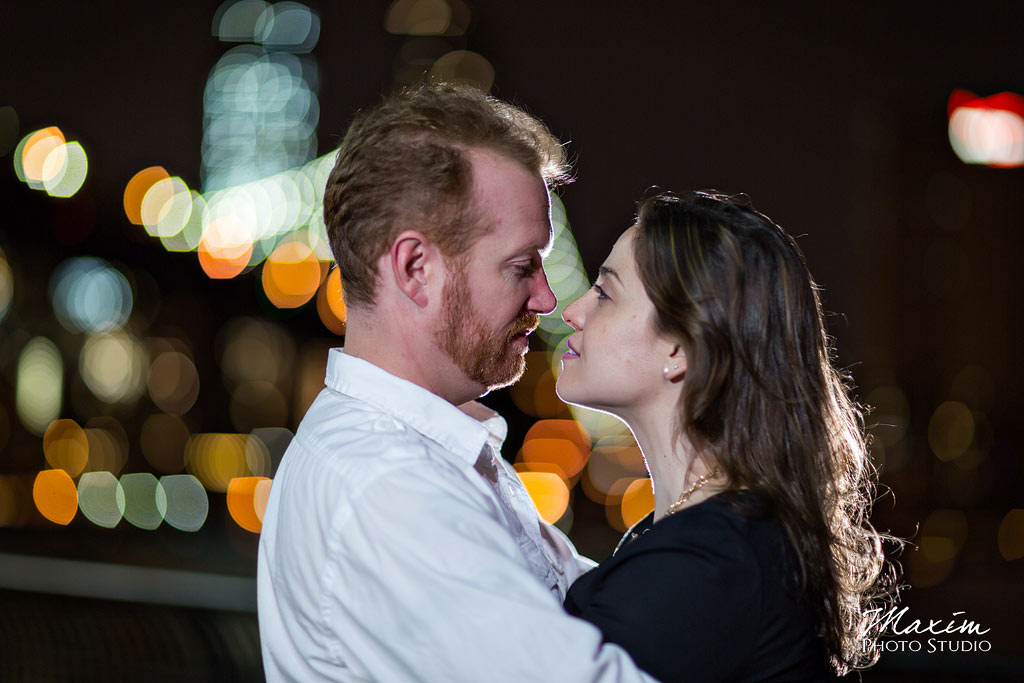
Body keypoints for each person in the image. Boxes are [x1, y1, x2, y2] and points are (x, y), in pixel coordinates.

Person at [257, 84, 656, 682]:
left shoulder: (425, 457)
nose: (548, 299)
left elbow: (605, 611)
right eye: (522, 265)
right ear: (416, 270)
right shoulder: (390, 488)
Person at [557, 192, 897, 682]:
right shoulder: (714, 536)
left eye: (605, 293)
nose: (573, 311)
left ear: (680, 348)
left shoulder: (709, 564)